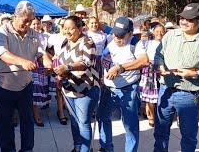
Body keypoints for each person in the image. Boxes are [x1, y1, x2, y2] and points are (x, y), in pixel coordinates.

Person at [0, 1, 52, 152]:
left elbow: (40, 52)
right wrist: (22, 62)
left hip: (26, 86)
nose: (27, 25)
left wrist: (45, 60)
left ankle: (27, 150)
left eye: (30, 21)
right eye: (25, 20)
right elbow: (2, 54)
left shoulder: (34, 34)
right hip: (3, 86)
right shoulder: (2, 31)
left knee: (27, 122)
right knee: (5, 124)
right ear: (15, 16)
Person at [154, 3, 199, 152]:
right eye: (182, 18)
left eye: (189, 19)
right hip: (165, 90)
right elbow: (159, 55)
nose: (184, 22)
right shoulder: (171, 35)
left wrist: (195, 74)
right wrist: (160, 66)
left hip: (188, 95)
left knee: (188, 137)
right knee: (160, 133)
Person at [97, 17, 149, 152]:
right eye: (115, 33)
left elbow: (143, 60)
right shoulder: (110, 37)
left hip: (128, 89)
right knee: (102, 117)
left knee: (130, 125)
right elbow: (98, 23)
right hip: (108, 88)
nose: (117, 37)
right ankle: (106, 148)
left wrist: (121, 68)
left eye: (121, 35)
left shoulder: (136, 43)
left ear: (130, 33)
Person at [54, 15, 100, 152]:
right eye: (65, 28)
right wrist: (58, 74)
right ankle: (78, 147)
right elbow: (59, 60)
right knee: (74, 122)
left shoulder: (87, 42)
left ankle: (86, 149)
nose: (67, 31)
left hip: (86, 90)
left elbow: (86, 63)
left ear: (80, 28)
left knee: (83, 123)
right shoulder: (64, 42)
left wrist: (67, 68)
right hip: (68, 89)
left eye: (71, 28)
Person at [138, 25, 166, 127]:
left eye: (162, 31)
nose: (160, 33)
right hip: (150, 70)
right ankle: (151, 117)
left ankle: (161, 116)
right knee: (150, 96)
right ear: (153, 32)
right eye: (157, 31)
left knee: (162, 94)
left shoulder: (167, 43)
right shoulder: (148, 43)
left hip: (163, 70)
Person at [29, 17, 51, 127]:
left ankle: (35, 113)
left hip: (42, 64)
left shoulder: (44, 36)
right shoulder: (28, 36)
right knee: (35, 89)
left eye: (37, 24)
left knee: (40, 88)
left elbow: (46, 50)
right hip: (32, 64)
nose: (36, 26)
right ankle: (36, 115)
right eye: (33, 24)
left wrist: (51, 57)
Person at [47, 17, 68, 125]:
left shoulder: (73, 37)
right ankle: (61, 113)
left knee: (69, 87)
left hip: (69, 64)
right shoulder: (54, 37)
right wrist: (52, 57)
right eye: (62, 25)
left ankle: (65, 107)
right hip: (58, 63)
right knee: (59, 89)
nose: (64, 27)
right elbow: (46, 49)